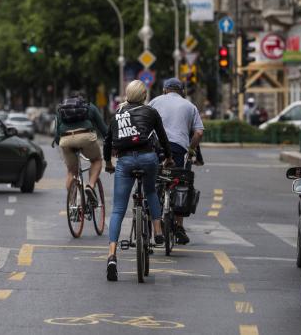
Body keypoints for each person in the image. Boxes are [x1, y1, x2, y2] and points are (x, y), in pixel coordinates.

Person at [103, 80, 173, 282]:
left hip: (124, 161)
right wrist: (168, 158)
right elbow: (163, 138)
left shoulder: (117, 114)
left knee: (117, 210)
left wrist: (108, 162)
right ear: (144, 96)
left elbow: (108, 141)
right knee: (150, 191)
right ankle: (158, 231)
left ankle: (112, 256)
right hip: (148, 158)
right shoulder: (150, 112)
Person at [149, 78, 204, 244]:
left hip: (157, 148)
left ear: (165, 89)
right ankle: (179, 226)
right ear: (181, 91)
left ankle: (156, 225)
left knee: (154, 183)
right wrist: (191, 149)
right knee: (182, 183)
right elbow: (199, 133)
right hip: (179, 149)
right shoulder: (189, 106)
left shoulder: (154, 101)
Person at [53, 90, 109, 194]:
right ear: (84, 99)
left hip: (66, 139)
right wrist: (110, 141)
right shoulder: (90, 107)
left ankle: (71, 203)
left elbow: (56, 135)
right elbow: (104, 130)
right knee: (96, 161)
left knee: (71, 171)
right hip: (86, 137)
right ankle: (90, 186)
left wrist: (60, 142)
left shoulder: (61, 109)